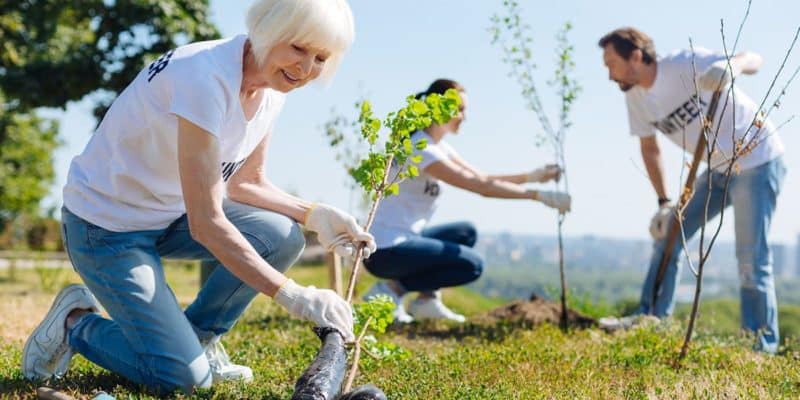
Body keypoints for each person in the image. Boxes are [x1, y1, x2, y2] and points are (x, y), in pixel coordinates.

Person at [21, 0, 376, 393]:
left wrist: (314, 215)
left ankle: (197, 341)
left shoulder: (271, 88)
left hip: (168, 216)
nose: (306, 68)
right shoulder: (203, 77)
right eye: (298, 48)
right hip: (105, 229)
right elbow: (206, 223)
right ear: (268, 30)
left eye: (321, 57)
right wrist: (292, 295)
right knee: (184, 381)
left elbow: (245, 183)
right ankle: (75, 323)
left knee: (283, 236)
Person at [596, 28, 786, 353]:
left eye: (612, 63)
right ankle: (650, 316)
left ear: (637, 57)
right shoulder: (636, 97)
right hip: (716, 169)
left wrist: (731, 67)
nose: (609, 74)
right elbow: (649, 148)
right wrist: (663, 201)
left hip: (757, 160)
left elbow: (754, 59)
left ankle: (760, 346)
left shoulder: (684, 64)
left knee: (751, 259)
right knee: (671, 231)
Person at [362, 79, 572, 323]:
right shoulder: (421, 149)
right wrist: (539, 197)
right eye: (459, 109)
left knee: (465, 232)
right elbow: (481, 188)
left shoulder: (437, 146)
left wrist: (533, 177)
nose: (464, 116)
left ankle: (426, 301)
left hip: (406, 239)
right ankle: (390, 291)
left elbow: (481, 177)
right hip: (385, 251)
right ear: (438, 107)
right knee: (472, 265)